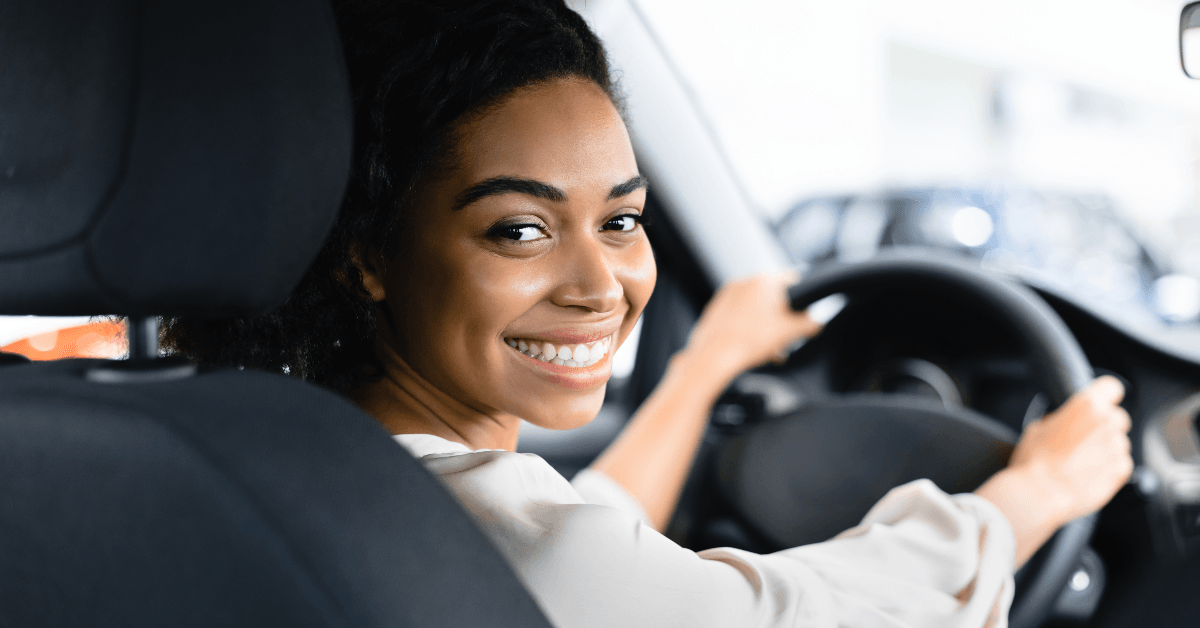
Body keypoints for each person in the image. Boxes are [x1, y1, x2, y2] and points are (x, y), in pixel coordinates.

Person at [163, 1, 1134, 626]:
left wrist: (703, 368)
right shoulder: (470, 541)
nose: (602, 284)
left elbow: (582, 540)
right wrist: (1029, 495)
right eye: (520, 229)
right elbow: (814, 611)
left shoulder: (274, 462)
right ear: (368, 251)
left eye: (622, 218)